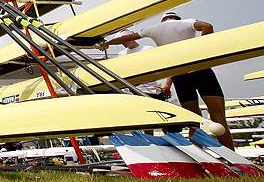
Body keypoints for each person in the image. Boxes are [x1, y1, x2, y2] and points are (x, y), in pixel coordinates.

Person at [97, 11, 233, 149]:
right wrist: (201, 47)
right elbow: (207, 26)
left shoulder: (154, 28)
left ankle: (200, 160)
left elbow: (125, 37)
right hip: (201, 69)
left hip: (180, 74)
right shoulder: (186, 22)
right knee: (218, 117)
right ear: (176, 18)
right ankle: (233, 160)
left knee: (193, 120)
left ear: (163, 21)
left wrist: (106, 44)